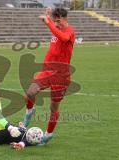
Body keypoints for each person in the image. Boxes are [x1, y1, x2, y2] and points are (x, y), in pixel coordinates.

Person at [22, 7, 76, 145]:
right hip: (47, 71)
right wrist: (49, 19)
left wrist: (48, 22)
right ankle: (30, 111)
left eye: (58, 21)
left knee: (53, 107)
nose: (56, 24)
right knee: (30, 92)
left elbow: (63, 37)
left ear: (65, 19)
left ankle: (48, 134)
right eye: (54, 21)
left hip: (61, 76)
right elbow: (56, 30)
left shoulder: (70, 31)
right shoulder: (55, 27)